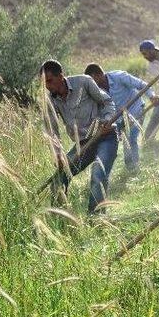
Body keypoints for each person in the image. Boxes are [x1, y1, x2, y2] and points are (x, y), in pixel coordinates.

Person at [41, 59, 118, 213]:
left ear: (61, 76)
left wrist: (107, 120)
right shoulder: (49, 100)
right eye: (44, 82)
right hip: (83, 143)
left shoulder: (84, 82)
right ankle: (60, 219)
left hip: (105, 136)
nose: (47, 86)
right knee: (58, 180)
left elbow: (107, 102)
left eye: (50, 81)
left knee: (97, 176)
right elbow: (52, 131)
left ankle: (96, 219)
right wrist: (58, 154)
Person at [84, 63, 155, 173]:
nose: (91, 85)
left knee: (130, 137)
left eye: (92, 81)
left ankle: (134, 168)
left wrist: (152, 96)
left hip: (135, 110)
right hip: (118, 119)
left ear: (99, 75)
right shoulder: (95, 91)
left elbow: (141, 85)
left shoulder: (119, 77)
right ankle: (129, 167)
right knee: (123, 142)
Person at [139, 39, 159, 141]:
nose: (144, 57)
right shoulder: (151, 67)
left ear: (152, 50)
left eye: (145, 53)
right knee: (157, 113)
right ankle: (147, 139)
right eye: (143, 54)